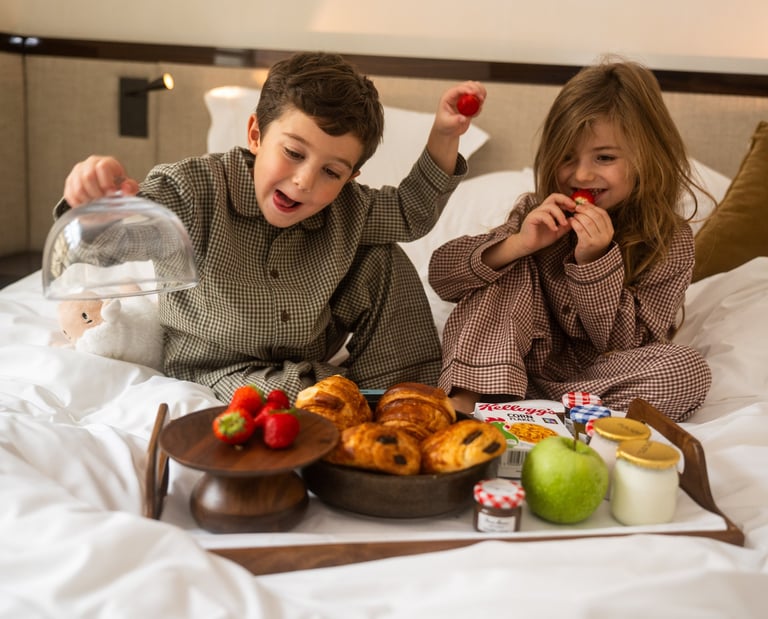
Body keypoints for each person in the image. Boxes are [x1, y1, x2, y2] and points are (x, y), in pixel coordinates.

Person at [57, 51, 486, 401]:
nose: (304, 182)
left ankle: (398, 389)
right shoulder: (191, 190)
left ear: (351, 177)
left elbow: (410, 212)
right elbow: (111, 244)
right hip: (216, 367)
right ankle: (343, 394)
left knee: (382, 255)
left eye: (331, 172)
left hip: (309, 353)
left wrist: (445, 136)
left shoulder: (347, 209)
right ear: (256, 135)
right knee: (304, 398)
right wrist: (94, 206)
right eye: (294, 153)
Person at [428, 58, 711, 422]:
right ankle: (466, 403)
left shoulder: (670, 242)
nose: (581, 174)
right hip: (503, 367)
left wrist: (594, 262)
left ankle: (542, 414)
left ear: (646, 158)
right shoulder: (537, 214)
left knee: (687, 371)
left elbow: (626, 346)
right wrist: (520, 243)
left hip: (594, 380)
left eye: (604, 157)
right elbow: (442, 277)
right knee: (509, 268)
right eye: (567, 158)